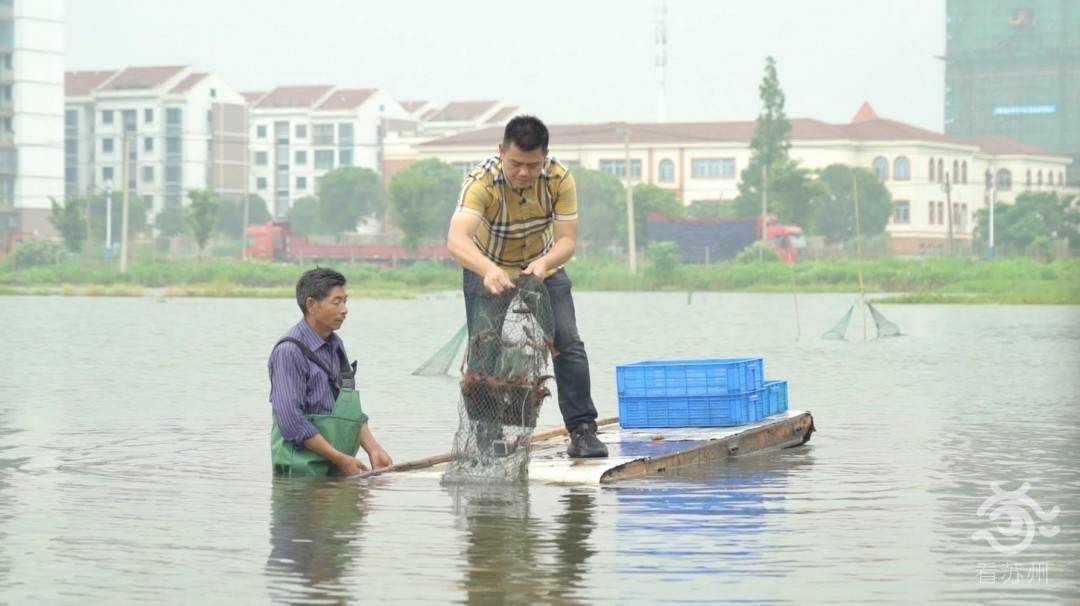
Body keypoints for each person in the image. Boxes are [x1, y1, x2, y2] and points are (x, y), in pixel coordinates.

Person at [447, 115, 608, 458]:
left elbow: (567, 241)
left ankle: (582, 430)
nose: (523, 172)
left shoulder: (559, 178)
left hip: (542, 267)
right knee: (484, 355)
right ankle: (487, 438)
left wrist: (545, 264)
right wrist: (488, 270)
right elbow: (457, 240)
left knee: (567, 341)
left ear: (545, 158)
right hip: (486, 267)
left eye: (533, 165)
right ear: (501, 151)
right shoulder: (481, 181)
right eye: (516, 163)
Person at [268, 267, 393, 476]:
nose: (345, 309)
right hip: (301, 477)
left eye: (345, 301)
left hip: (337, 467)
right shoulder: (289, 352)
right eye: (337, 302)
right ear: (311, 305)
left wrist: (374, 449)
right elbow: (291, 421)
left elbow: (346, 409)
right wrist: (339, 458)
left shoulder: (335, 345)